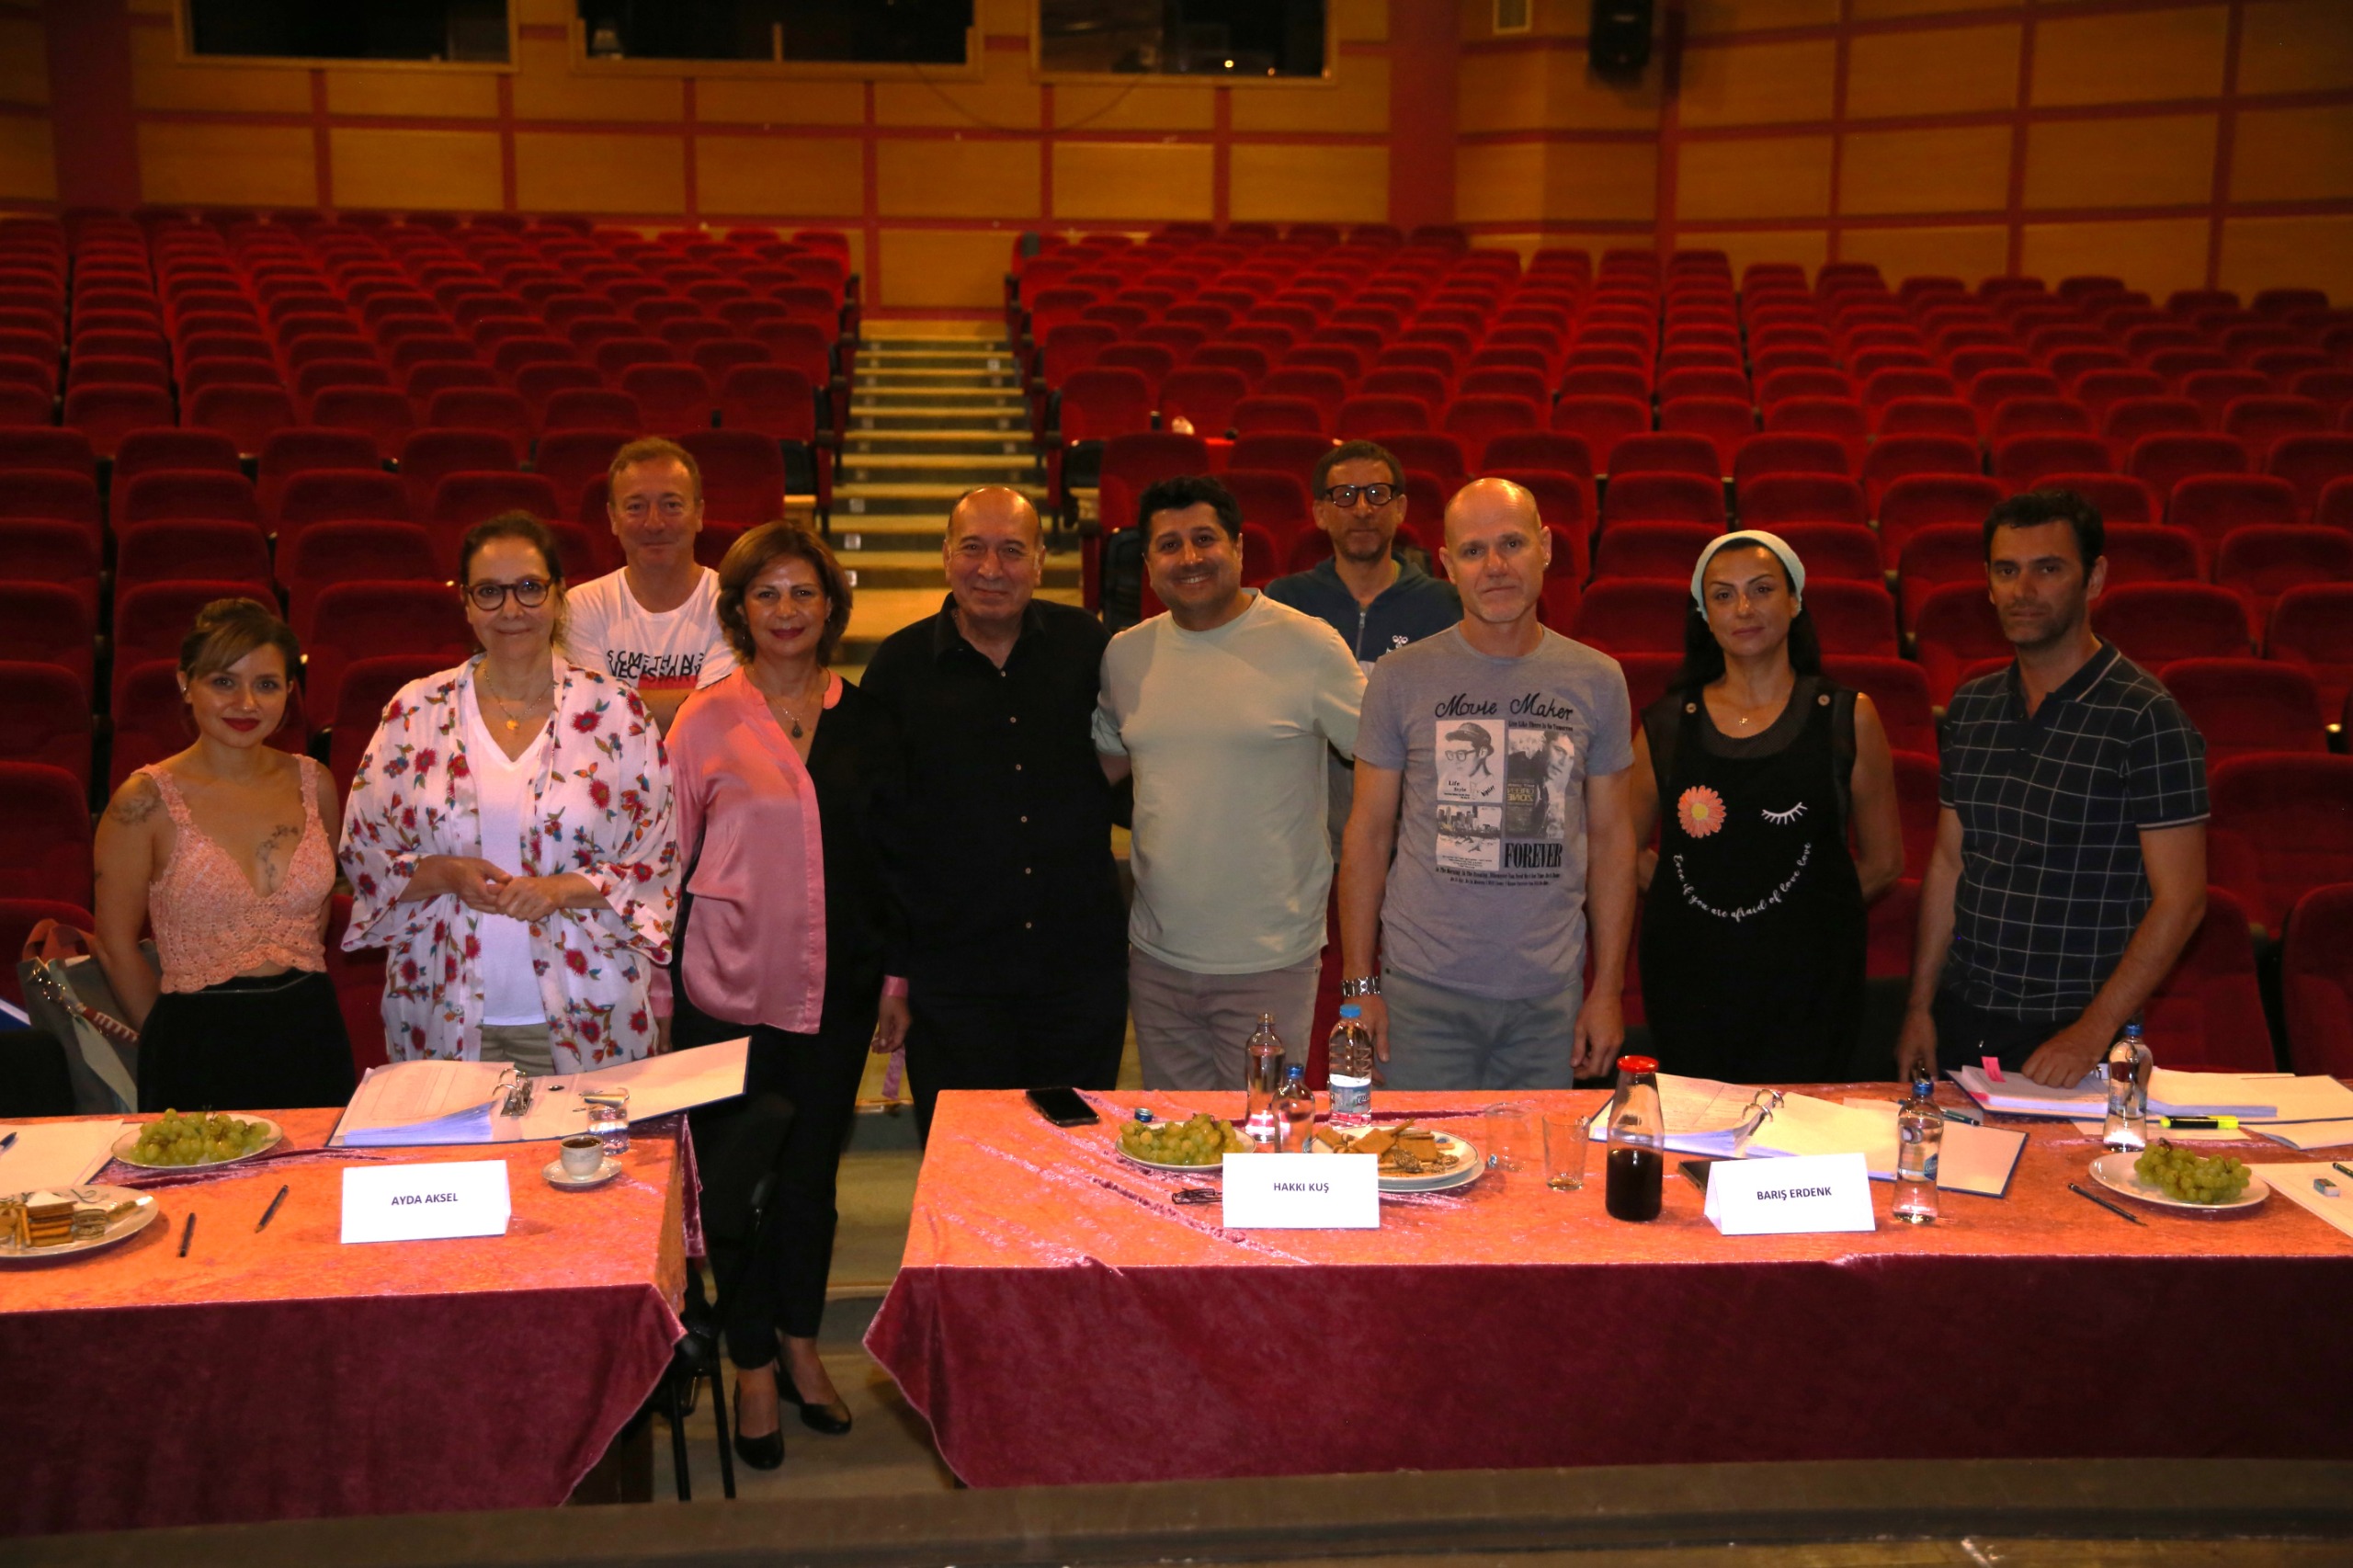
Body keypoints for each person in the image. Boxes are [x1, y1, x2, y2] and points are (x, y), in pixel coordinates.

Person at [662, 521, 910, 1468]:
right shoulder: (704, 720)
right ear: (738, 610)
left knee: (811, 1179)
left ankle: (802, 1341)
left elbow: (893, 862)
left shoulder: (871, 721)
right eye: (766, 593)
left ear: (830, 607)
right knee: (733, 1187)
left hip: (837, 990)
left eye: (804, 591)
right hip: (722, 990)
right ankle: (753, 1361)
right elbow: (667, 863)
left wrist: (896, 977)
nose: (786, 610)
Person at [339, 512, 678, 1073]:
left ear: (559, 595)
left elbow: (657, 861)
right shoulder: (414, 711)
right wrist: (446, 873)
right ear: (467, 604)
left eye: (529, 587)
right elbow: (363, 856)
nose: (512, 609)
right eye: (490, 592)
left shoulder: (618, 712)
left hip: (589, 1011)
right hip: (439, 1009)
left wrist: (559, 889)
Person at [1896, 489, 2209, 1087]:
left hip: (2075, 1035)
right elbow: (1949, 862)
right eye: (2006, 570)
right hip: (1963, 1016)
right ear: (1989, 583)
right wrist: (1919, 1007)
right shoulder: (1972, 704)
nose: (2023, 590)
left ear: (2094, 579)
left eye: (2048, 569)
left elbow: (2182, 900)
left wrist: (2091, 1033)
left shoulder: (2146, 716)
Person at [1337, 478, 1636, 1090]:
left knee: (1535, 1155)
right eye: (1473, 551)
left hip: (1548, 996)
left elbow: (1613, 841)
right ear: (1448, 566)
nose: (1495, 566)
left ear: (1545, 547)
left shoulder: (1599, 679)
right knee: (1419, 1154)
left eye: (1512, 544)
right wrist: (1359, 985)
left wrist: (1606, 989)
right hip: (1422, 992)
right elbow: (1367, 834)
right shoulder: (1400, 677)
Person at [860, 486, 1127, 1142]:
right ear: (945, 556)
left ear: (1039, 562)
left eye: (1011, 550)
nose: (990, 569)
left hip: (1077, 971)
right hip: (952, 978)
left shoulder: (1089, 648)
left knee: (1076, 1162)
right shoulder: (898, 668)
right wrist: (894, 973)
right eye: (973, 548)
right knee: (965, 1165)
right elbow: (881, 836)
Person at [1094, 474, 1365, 1089]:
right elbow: (1101, 767)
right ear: (1148, 565)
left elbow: (1383, 762)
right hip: (1158, 956)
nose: (1189, 558)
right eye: (1169, 545)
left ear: (1239, 548)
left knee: (1260, 1136)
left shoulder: (1309, 646)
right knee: (1178, 1139)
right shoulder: (1126, 655)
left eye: (1205, 539)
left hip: (1269, 960)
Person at [1630, 531, 1906, 1084]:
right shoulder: (1666, 724)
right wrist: (1698, 907)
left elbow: (1885, 861)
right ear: (1705, 615)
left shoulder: (1848, 716)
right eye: (1723, 595)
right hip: (1691, 979)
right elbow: (1625, 847)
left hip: (1811, 983)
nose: (1744, 608)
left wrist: (1798, 918)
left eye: (1761, 589)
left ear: (1795, 600)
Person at [90, 598, 356, 1112]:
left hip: (310, 1033)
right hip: (193, 1044)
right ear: (185, 683)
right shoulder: (143, 800)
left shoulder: (315, 782)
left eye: (267, 684)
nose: (246, 703)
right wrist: (167, 1037)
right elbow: (114, 946)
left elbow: (318, 913)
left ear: (289, 691)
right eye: (224, 682)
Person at [1266, 438, 1461, 855]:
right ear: (1320, 512)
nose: (1362, 509)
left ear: (1400, 508)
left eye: (1377, 493)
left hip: (1412, 844)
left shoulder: (1446, 607)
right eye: (1344, 495)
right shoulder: (1284, 605)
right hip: (1303, 843)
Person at [563, 437, 738, 733]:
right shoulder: (580, 606)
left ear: (698, 514)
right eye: (636, 507)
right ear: (613, 518)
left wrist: (616, 703)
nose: (654, 523)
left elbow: (716, 715)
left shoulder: (733, 602)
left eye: (672, 505)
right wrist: (692, 702)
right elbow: (593, 715)